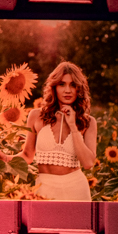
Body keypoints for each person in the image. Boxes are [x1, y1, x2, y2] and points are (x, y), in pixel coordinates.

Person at [24, 61, 99, 201]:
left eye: (73, 85)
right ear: (54, 87)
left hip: (77, 190)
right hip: (44, 189)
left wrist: (73, 126)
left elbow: (88, 163)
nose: (67, 90)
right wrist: (2, 157)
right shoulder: (36, 116)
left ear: (79, 89)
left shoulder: (88, 122)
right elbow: (27, 156)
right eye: (62, 84)